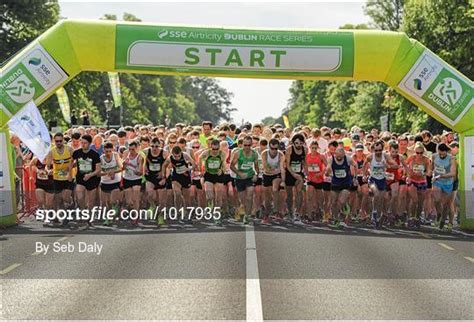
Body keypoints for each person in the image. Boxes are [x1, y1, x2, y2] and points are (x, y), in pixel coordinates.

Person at [71, 134, 101, 225]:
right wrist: (69, 171)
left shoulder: (94, 154)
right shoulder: (77, 152)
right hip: (80, 178)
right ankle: (84, 213)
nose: (83, 145)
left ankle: (90, 216)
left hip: (92, 179)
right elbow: (71, 162)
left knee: (91, 201)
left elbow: (98, 169)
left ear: (89, 143)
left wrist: (90, 175)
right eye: (82, 143)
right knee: (80, 197)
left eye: (85, 143)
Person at [325, 147, 357, 228]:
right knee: (333, 202)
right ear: (335, 154)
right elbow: (328, 167)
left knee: (341, 201)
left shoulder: (348, 159)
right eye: (337, 156)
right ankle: (336, 219)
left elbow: (355, 165)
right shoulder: (331, 159)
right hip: (335, 182)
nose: (339, 158)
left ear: (344, 155)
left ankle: (344, 206)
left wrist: (355, 178)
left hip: (346, 182)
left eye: (341, 157)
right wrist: (328, 171)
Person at [230, 135, 259, 224]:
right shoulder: (238, 153)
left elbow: (256, 167)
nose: (247, 147)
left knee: (250, 196)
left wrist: (256, 175)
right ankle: (241, 210)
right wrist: (239, 173)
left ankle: (248, 215)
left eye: (249, 145)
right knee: (242, 199)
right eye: (245, 145)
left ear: (251, 145)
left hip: (250, 176)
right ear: (242, 144)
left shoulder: (254, 153)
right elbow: (231, 166)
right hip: (240, 178)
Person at [406, 142, 432, 227]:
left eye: (421, 153)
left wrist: (424, 174)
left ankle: (417, 218)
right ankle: (411, 218)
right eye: (417, 153)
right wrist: (408, 175)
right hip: (412, 181)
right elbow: (405, 167)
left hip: (422, 181)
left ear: (423, 152)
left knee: (420, 203)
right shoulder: (411, 158)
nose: (419, 155)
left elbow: (429, 171)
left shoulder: (426, 159)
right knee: (414, 200)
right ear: (415, 152)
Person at [200, 139, 226, 224]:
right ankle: (208, 207)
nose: (215, 151)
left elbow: (224, 165)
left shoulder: (222, 154)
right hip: (209, 175)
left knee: (218, 197)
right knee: (210, 196)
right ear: (211, 147)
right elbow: (199, 158)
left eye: (217, 149)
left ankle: (216, 214)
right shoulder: (206, 153)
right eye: (213, 149)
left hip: (218, 175)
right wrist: (201, 170)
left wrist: (221, 170)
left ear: (219, 148)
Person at [431, 143, 456, 230]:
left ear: (446, 151)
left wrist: (441, 176)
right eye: (440, 153)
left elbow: (453, 173)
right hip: (437, 181)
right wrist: (432, 174)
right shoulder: (434, 156)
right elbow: (432, 168)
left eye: (443, 153)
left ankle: (443, 220)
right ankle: (438, 213)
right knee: (436, 199)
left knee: (445, 204)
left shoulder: (451, 158)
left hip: (447, 182)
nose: (441, 155)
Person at [261, 138, 286, 223]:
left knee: (275, 189)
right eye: (272, 148)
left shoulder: (281, 155)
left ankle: (276, 211)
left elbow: (282, 169)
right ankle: (267, 213)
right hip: (267, 175)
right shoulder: (264, 153)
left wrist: (283, 180)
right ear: (269, 147)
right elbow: (265, 167)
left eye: (276, 149)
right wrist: (272, 171)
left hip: (276, 175)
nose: (274, 151)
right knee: (267, 196)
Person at [285, 133, 307, 223]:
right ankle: (290, 211)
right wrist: (293, 174)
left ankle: (297, 212)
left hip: (299, 173)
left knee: (299, 192)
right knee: (290, 195)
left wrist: (306, 172)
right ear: (293, 142)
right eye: (297, 143)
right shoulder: (289, 149)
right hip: (290, 173)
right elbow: (287, 164)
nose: (298, 145)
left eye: (300, 143)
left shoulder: (305, 149)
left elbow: (304, 162)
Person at [99, 141, 122, 225]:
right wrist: (106, 173)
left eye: (109, 151)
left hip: (115, 182)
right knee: (107, 203)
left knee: (112, 201)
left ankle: (108, 219)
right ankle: (110, 217)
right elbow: (98, 172)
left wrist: (113, 172)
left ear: (112, 150)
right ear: (103, 151)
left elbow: (121, 167)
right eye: (106, 151)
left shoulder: (115, 156)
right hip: (105, 182)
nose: (108, 153)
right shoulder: (101, 158)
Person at [305, 140, 327, 222]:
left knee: (319, 198)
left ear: (318, 148)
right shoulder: (307, 156)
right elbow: (304, 166)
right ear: (310, 148)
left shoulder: (321, 156)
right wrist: (306, 174)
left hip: (319, 179)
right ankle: (309, 215)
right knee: (310, 197)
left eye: (315, 148)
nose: (314, 149)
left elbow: (327, 166)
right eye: (312, 148)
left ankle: (319, 211)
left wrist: (321, 173)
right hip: (310, 179)